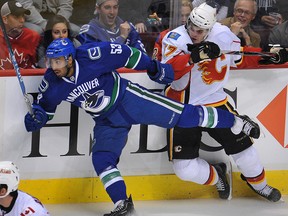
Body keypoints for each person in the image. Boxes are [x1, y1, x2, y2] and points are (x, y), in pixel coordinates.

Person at [24, 37, 260, 215]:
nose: (53, 66)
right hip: (107, 121)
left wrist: (152, 66)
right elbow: (46, 108)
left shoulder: (92, 55)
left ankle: (238, 122)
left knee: (185, 116)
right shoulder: (52, 83)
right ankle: (122, 203)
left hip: (130, 99)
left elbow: (126, 54)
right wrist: (38, 118)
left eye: (58, 61)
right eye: (51, 61)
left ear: (70, 58)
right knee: (102, 159)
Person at [161, 3, 286, 202]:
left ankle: (260, 186)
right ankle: (217, 175)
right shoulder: (175, 38)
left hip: (216, 103)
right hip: (184, 107)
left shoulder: (224, 35)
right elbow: (166, 73)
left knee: (246, 153)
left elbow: (240, 59)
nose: (193, 32)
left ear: (210, 29)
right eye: (191, 26)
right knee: (183, 169)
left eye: (200, 30)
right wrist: (193, 56)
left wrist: (268, 57)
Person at [77, 0, 146, 54]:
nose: (112, 12)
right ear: (98, 9)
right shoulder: (89, 31)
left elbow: (142, 56)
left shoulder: (128, 27)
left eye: (115, 7)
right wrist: (122, 38)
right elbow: (98, 61)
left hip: (128, 71)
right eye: (107, 7)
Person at [0, 0, 41, 70]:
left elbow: (41, 67)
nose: (22, 20)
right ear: (5, 19)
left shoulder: (33, 37)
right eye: (17, 17)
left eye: (23, 16)